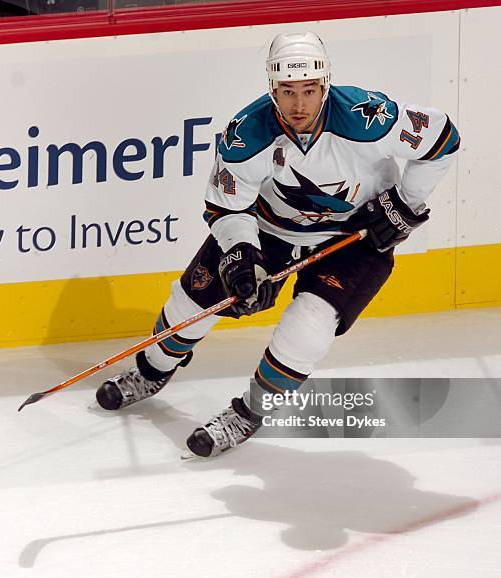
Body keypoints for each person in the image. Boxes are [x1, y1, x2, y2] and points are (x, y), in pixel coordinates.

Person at [96, 32, 460, 458]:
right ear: (272, 88)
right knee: (189, 304)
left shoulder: (369, 117)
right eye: (287, 92)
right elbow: (225, 207)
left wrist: (402, 203)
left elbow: (443, 139)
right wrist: (240, 256)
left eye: (309, 91)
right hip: (270, 228)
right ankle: (151, 370)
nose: (299, 105)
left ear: (326, 85)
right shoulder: (245, 135)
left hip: (354, 238)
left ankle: (249, 414)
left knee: (308, 327)